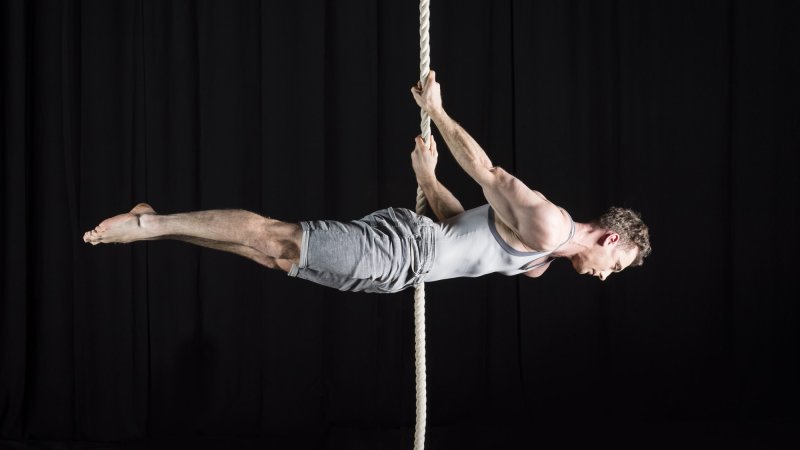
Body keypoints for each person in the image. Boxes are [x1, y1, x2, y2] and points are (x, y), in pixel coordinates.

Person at [83, 71, 651, 293]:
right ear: (611, 240)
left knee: (273, 258)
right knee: (277, 239)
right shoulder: (550, 226)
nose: (605, 277)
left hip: (407, 264)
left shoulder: (543, 256)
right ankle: (148, 224)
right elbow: (489, 173)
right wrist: (441, 112)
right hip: (404, 249)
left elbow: (461, 225)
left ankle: (154, 225)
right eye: (615, 267)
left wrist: (428, 179)